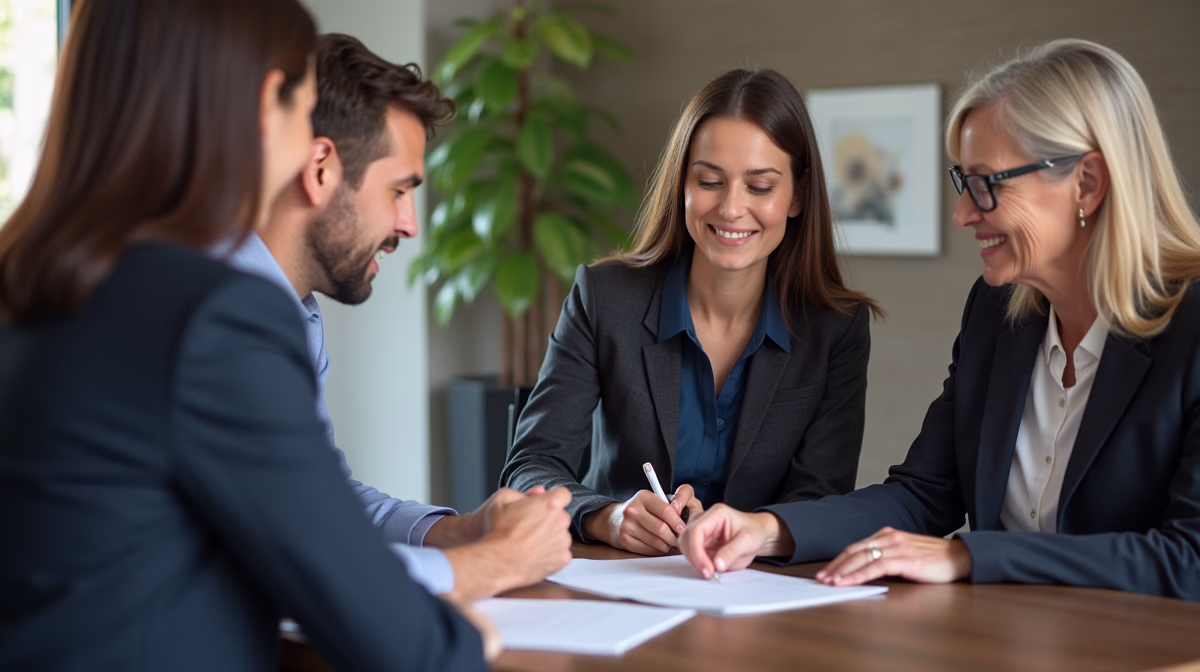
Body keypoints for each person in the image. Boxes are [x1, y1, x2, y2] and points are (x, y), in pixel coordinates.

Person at [0, 1, 494, 669]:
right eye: (301, 104)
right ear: (269, 105)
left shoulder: (38, 279)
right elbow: (399, 641)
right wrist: (469, 626)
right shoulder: (209, 314)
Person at [680, 39, 1200, 601]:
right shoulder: (996, 314)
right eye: (962, 183)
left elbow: (1188, 558)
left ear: (1088, 184)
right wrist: (770, 529)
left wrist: (967, 555)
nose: (962, 214)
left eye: (986, 185)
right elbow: (924, 493)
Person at [228, 33, 573, 601]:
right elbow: (300, 563)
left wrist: (454, 532)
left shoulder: (293, 313)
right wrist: (494, 562)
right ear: (320, 170)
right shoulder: (223, 316)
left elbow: (320, 502)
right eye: (399, 190)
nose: (411, 225)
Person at [501, 68, 879, 557]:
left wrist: (749, 530)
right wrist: (605, 517)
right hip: (619, 584)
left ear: (798, 197)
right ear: (682, 183)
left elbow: (821, 499)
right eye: (709, 181)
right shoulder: (604, 297)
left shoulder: (837, 328)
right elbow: (532, 463)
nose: (730, 208)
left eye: (760, 187)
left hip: (761, 594)